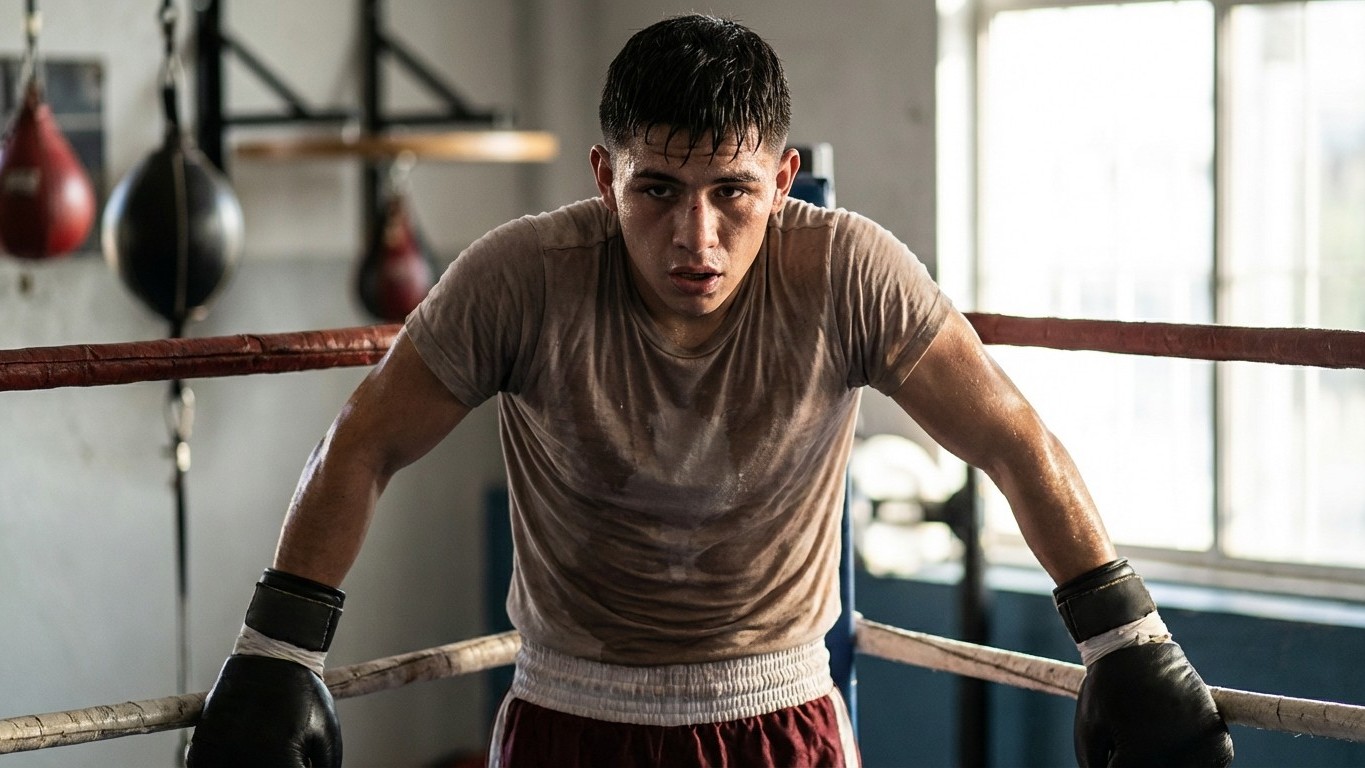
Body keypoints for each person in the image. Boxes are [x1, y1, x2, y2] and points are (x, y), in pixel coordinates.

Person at [186, 13, 1233, 768]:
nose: (697, 237)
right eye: (657, 192)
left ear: (780, 181)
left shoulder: (846, 271)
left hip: (780, 718)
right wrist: (279, 650)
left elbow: (1009, 435)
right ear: (606, 176)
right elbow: (363, 440)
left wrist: (1125, 638)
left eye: (732, 193)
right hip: (566, 719)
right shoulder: (522, 276)